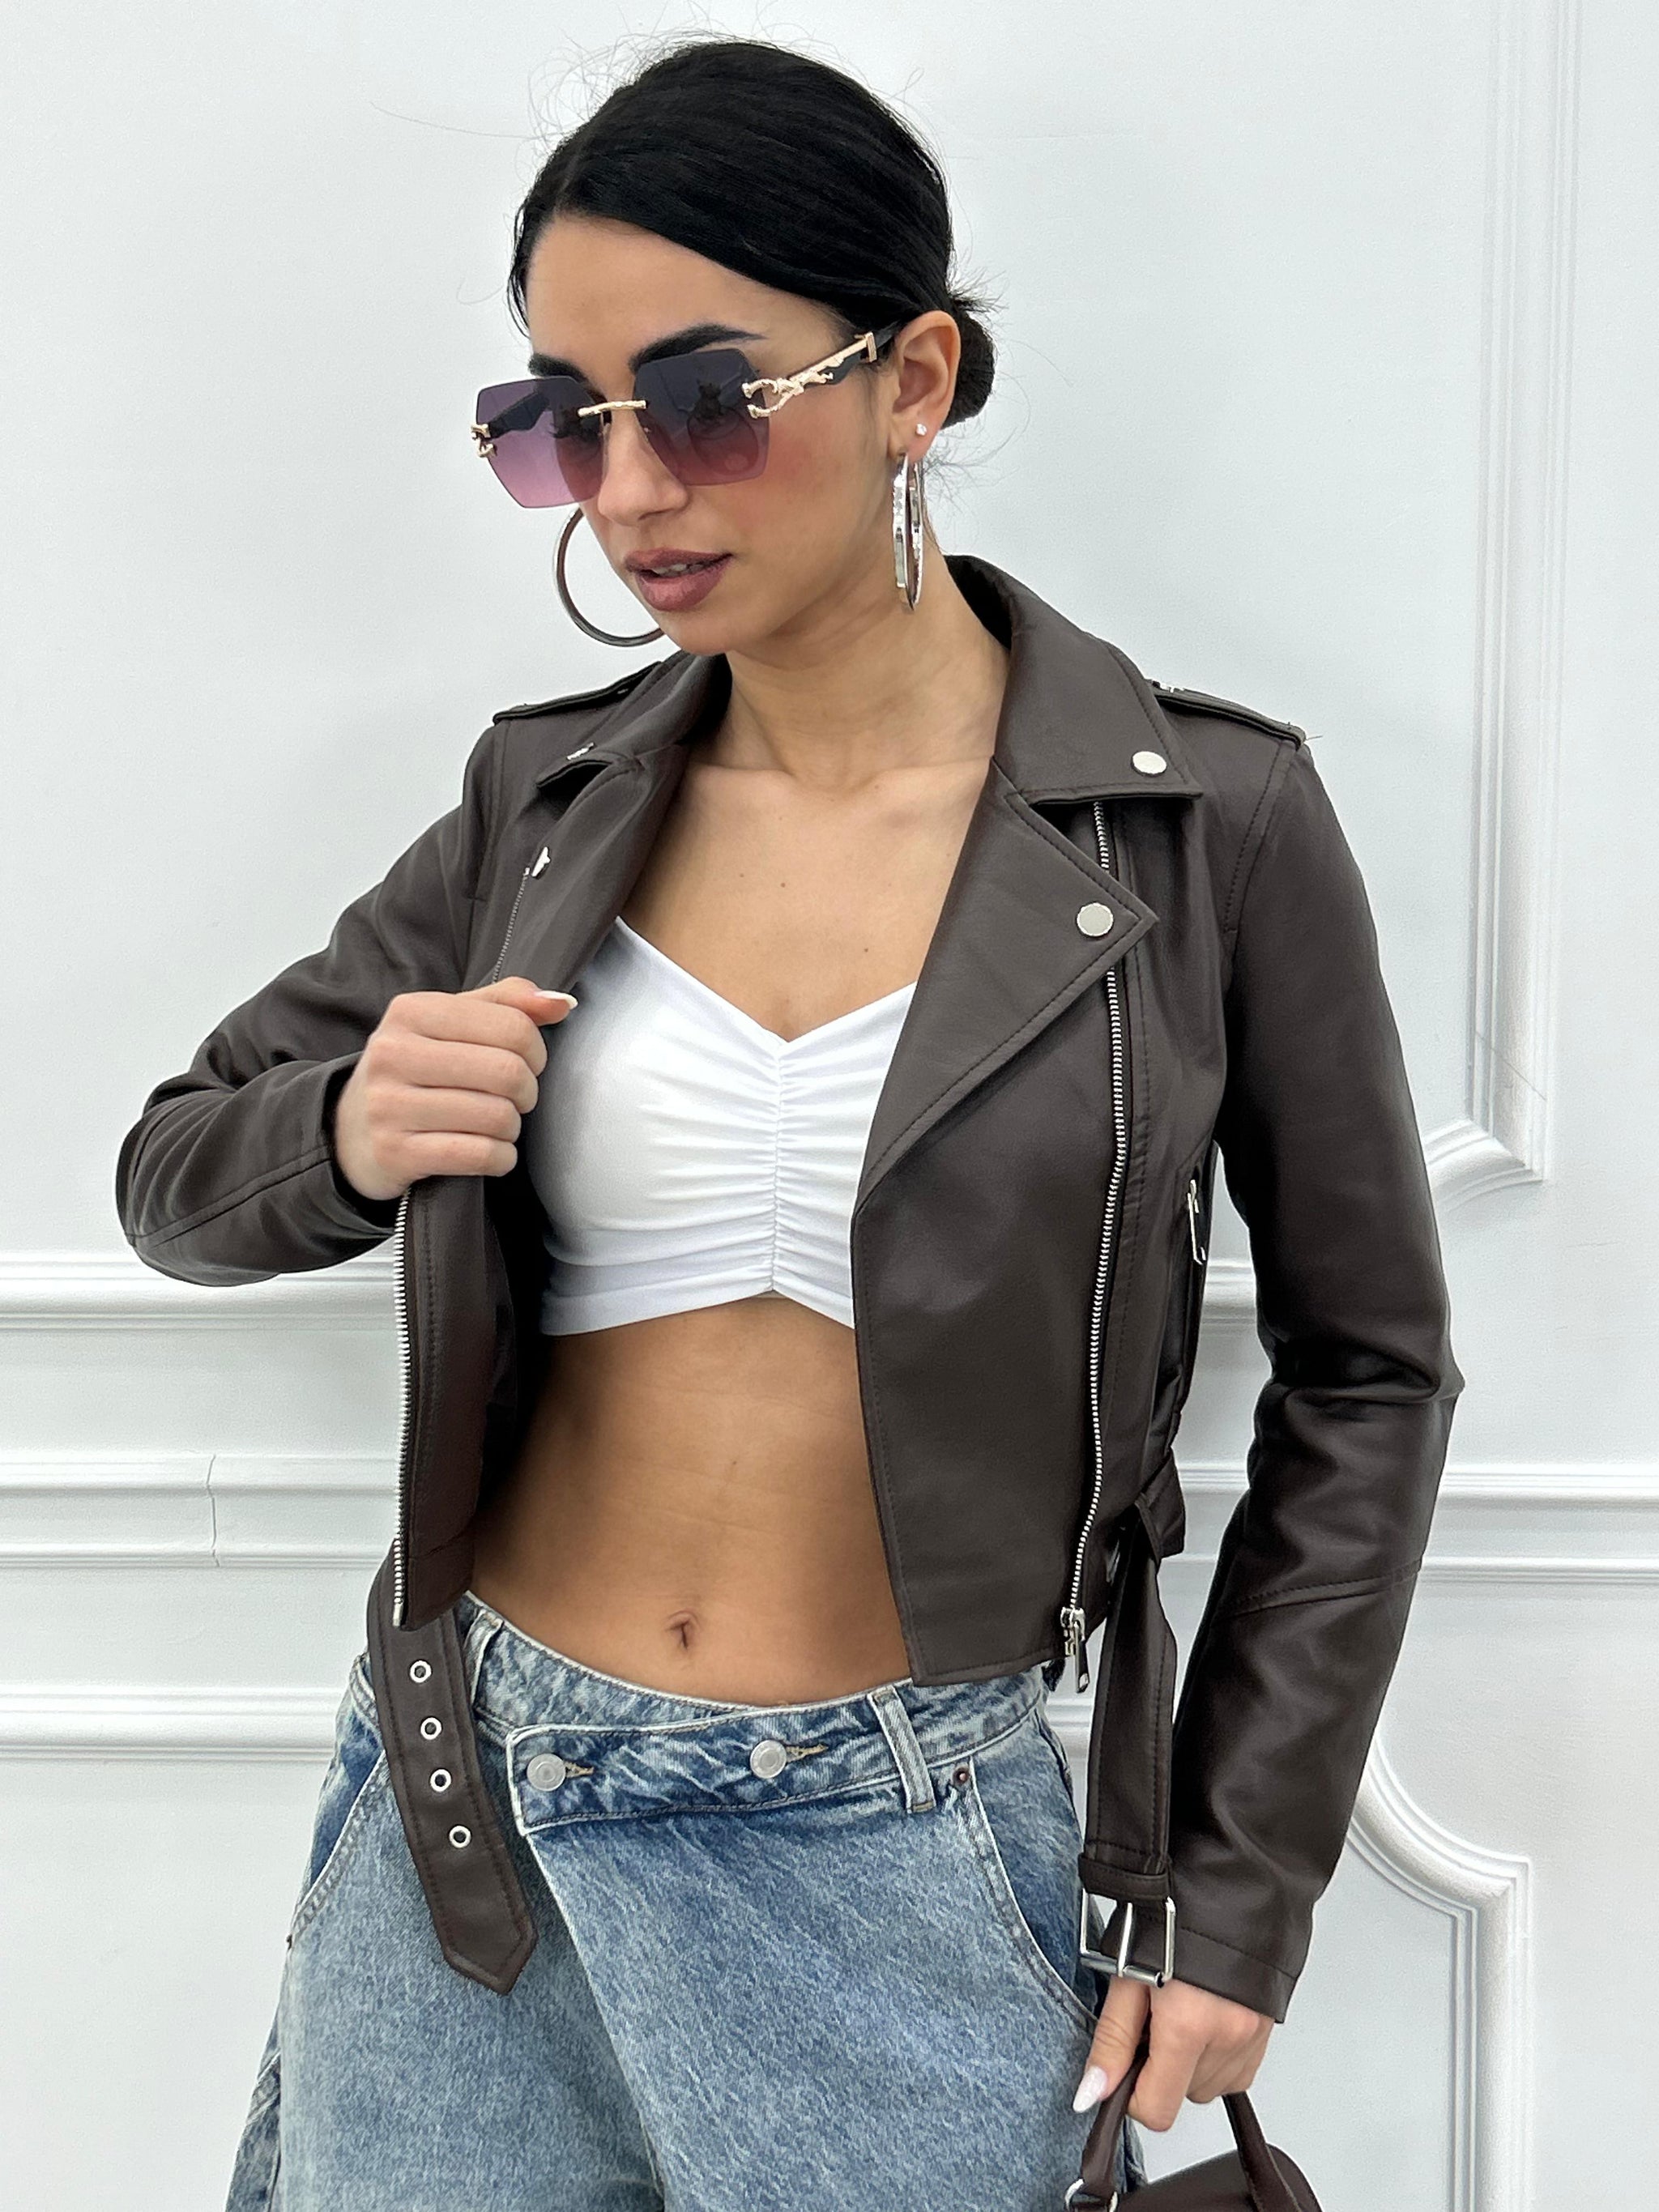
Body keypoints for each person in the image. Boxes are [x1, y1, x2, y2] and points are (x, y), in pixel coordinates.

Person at [114, 33, 1463, 2212]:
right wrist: (350, 1131)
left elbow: (1369, 1371)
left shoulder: (1206, 824)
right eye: (563, 418)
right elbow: (176, 1174)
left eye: (709, 398)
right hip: (473, 1827)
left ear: (913, 379)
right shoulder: (543, 799)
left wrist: (1238, 1887)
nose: (634, 486)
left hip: (892, 1839)